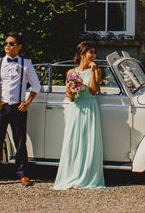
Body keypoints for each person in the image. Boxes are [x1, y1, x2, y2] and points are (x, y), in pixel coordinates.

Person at [0, 32, 41, 187]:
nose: (8, 46)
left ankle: (23, 174)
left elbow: (36, 85)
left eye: (11, 43)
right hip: (0, 107)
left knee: (20, 141)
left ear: (19, 46)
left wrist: (27, 102)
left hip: (18, 108)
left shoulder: (26, 63)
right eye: (6, 43)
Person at [53, 41, 105, 189]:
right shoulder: (71, 72)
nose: (93, 55)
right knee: (73, 140)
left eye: (94, 52)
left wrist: (94, 72)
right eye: (91, 52)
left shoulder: (96, 70)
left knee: (89, 140)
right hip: (76, 107)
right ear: (82, 54)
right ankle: (72, 174)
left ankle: (88, 175)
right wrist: (71, 89)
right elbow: (69, 96)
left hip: (90, 105)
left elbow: (94, 91)